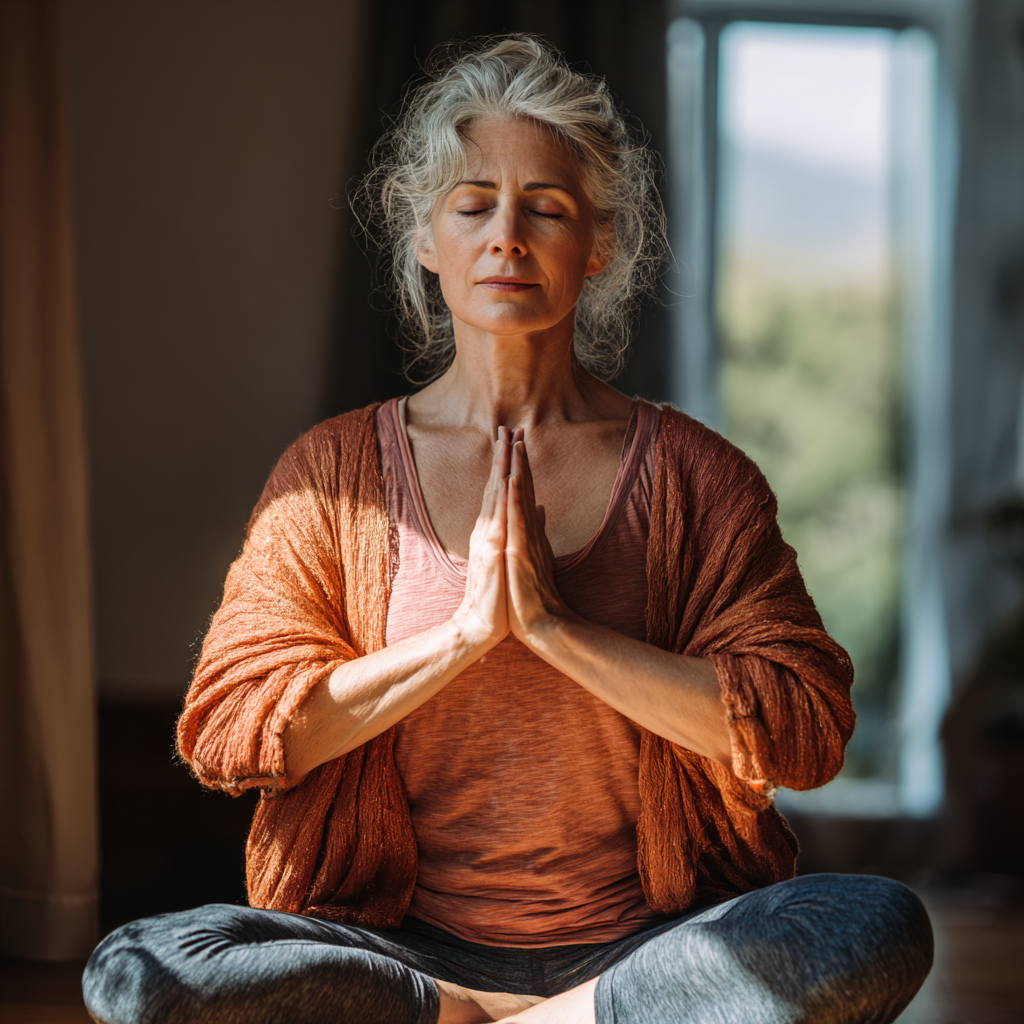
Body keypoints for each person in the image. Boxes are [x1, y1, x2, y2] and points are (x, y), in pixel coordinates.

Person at [83, 35, 933, 1024]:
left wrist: (559, 631)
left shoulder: (698, 479)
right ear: (422, 239)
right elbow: (232, 728)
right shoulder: (331, 475)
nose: (507, 238)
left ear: (599, 244)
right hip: (395, 947)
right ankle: (474, 1008)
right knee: (141, 965)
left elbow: (803, 725)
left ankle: (546, 1015)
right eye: (472, 203)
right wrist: (461, 640)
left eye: (548, 208)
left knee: (873, 922)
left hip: (645, 946)